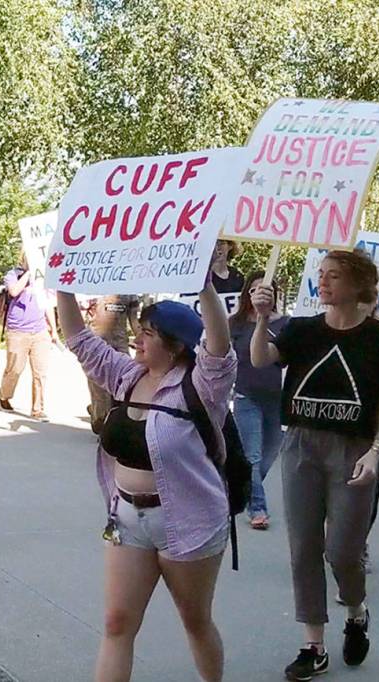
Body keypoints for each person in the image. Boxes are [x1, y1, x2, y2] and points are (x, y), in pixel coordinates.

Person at [58, 268, 235, 682]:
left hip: (188, 523)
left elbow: (219, 348)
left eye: (148, 333)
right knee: (117, 623)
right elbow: (79, 339)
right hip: (127, 520)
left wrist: (205, 286)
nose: (137, 337)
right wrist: (61, 281)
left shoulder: (202, 384)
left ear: (175, 347)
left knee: (195, 621)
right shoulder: (126, 375)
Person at [250, 248, 379, 680]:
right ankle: (312, 645)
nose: (324, 282)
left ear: (359, 284)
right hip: (301, 446)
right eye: (322, 274)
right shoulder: (301, 330)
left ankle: (356, 612)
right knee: (303, 547)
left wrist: (375, 451)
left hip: (353, 448)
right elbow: (261, 360)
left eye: (334, 275)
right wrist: (262, 319)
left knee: (343, 553)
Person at [229, 271, 288, 530]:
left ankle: (243, 488)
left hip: (275, 398)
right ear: (246, 295)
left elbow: (288, 359)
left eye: (264, 290)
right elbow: (225, 356)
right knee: (252, 455)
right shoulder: (236, 323)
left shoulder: (285, 324)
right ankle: (257, 508)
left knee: (268, 455)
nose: (258, 295)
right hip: (245, 395)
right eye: (253, 290)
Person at [0, 253, 57, 421]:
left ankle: (38, 409)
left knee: (40, 372)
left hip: (39, 331)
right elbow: (14, 291)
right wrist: (29, 273)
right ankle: (4, 394)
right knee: (14, 369)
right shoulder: (13, 275)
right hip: (17, 331)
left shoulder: (44, 278)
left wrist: (53, 328)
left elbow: (48, 304)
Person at [86, 294, 140, 433]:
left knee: (125, 385)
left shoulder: (130, 293)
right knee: (99, 390)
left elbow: (134, 319)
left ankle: (108, 421)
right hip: (97, 345)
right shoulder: (94, 288)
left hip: (120, 345)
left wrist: (142, 338)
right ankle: (99, 417)